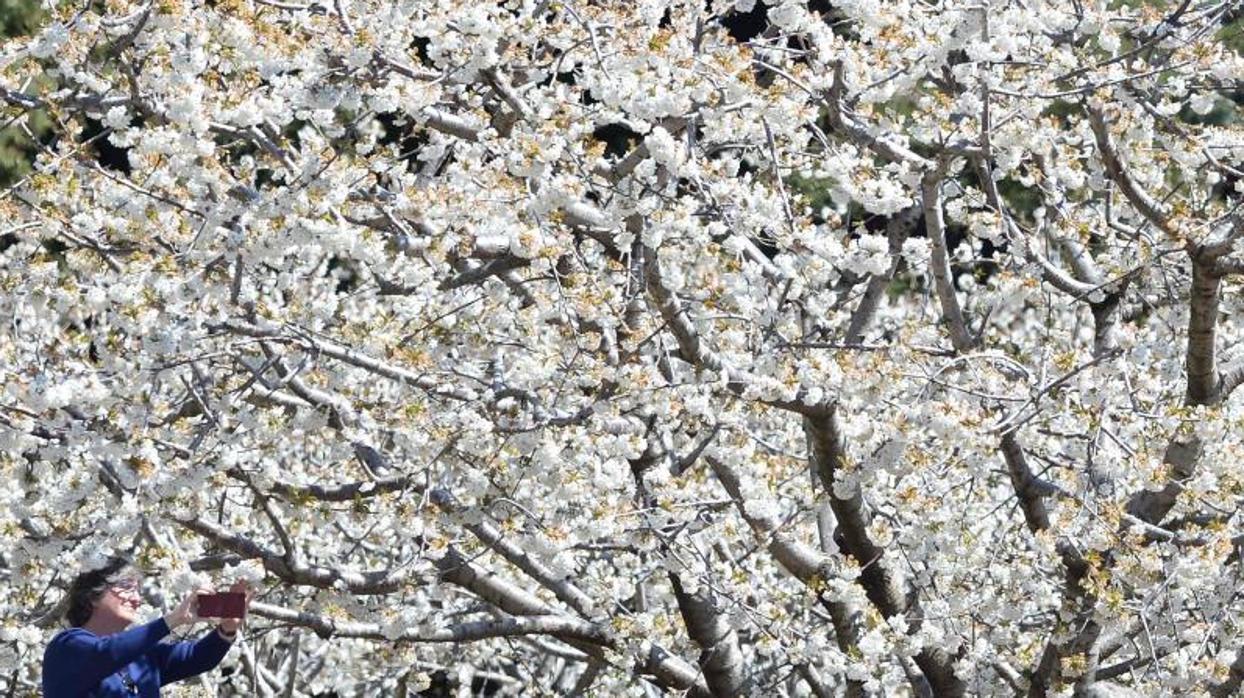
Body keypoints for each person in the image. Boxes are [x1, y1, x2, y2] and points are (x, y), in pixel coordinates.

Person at [42, 556, 253, 697]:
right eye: (126, 587)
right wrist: (174, 619)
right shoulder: (67, 647)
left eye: (138, 590)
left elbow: (195, 657)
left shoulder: (144, 657)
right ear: (92, 596)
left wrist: (227, 628)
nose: (136, 599)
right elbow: (106, 652)